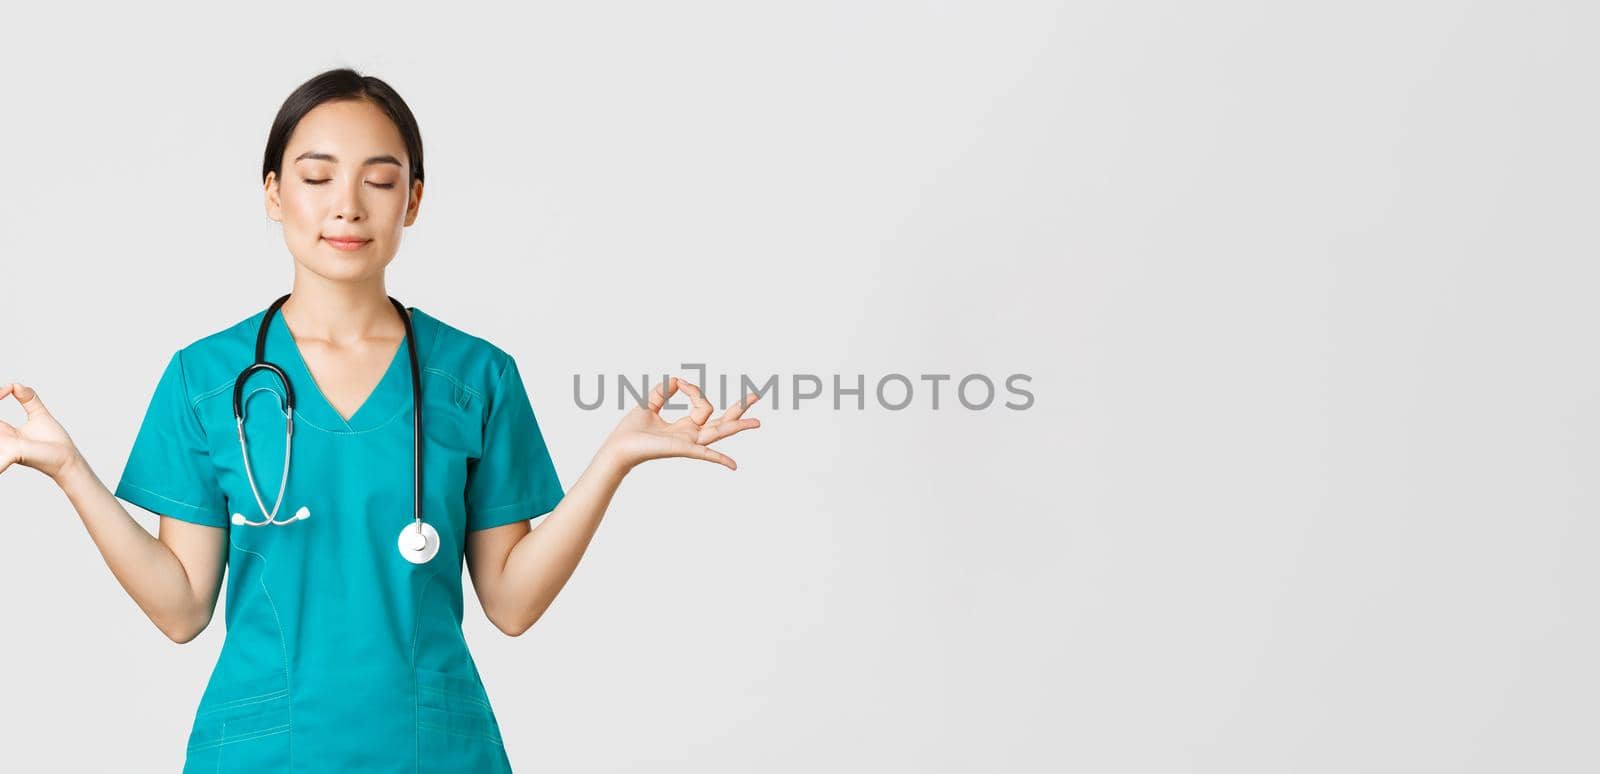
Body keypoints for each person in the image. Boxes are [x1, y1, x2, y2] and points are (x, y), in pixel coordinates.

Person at [0, 67, 762, 772]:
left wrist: (614, 459)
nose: (347, 205)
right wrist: (70, 471)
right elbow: (180, 610)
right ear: (273, 194)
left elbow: (513, 603)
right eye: (317, 176)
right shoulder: (207, 379)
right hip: (265, 752)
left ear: (414, 201)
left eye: (380, 180)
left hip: (433, 751)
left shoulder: (474, 375)